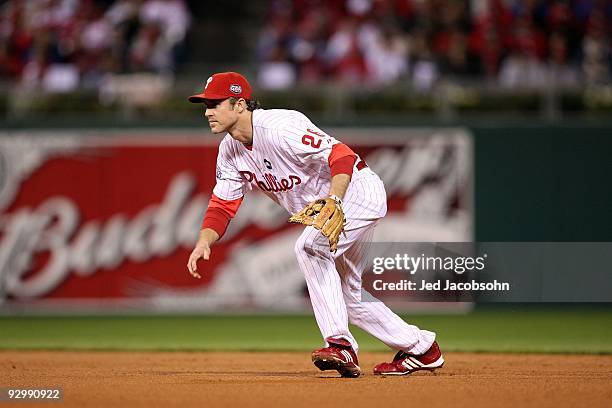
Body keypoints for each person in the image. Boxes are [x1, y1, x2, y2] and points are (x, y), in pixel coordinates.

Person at [186, 72, 444, 377]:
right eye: (206, 105)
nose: (207, 112)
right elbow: (222, 204)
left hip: (357, 192)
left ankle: (341, 345)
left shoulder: (280, 127)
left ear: (240, 104)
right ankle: (422, 349)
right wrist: (205, 240)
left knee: (309, 247)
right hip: (334, 211)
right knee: (349, 295)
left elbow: (342, 154)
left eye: (215, 104)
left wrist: (334, 200)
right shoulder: (230, 152)